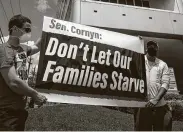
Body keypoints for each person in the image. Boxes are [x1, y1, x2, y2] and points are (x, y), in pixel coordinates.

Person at [0, 14, 47, 130]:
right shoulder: (5, 50)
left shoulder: (23, 49)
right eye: (27, 29)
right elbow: (13, 82)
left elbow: (37, 46)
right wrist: (35, 94)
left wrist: (49, 30)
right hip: (6, 112)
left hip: (19, 111)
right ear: (15, 29)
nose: (29, 32)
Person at [134, 40, 172, 131]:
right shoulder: (139, 61)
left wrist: (155, 99)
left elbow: (165, 84)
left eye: (154, 47)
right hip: (143, 107)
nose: (153, 48)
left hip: (159, 106)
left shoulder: (163, 65)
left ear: (157, 49)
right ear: (146, 49)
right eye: (150, 46)